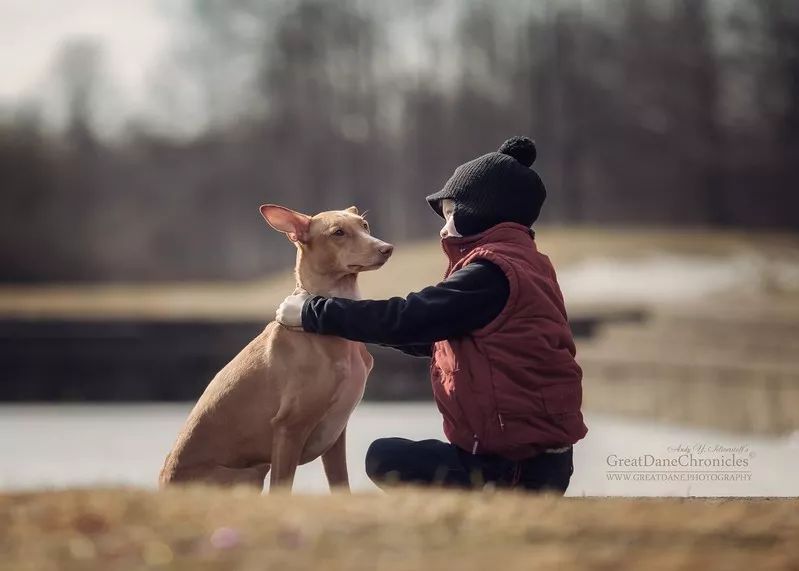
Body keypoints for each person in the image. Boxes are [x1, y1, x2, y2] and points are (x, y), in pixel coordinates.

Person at [275, 136, 587, 493]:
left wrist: (315, 311)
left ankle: (488, 499)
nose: (443, 227)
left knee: (383, 458)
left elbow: (410, 317)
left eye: (452, 213)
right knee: (393, 454)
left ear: (483, 211)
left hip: (514, 469)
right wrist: (364, 329)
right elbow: (438, 336)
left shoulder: (491, 274)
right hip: (541, 462)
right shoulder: (527, 264)